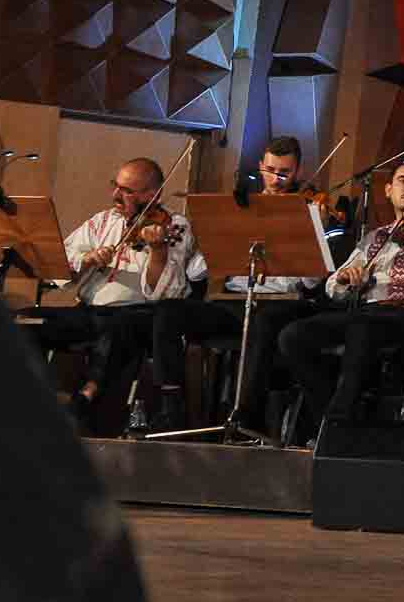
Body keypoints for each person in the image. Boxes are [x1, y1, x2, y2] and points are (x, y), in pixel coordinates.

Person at [150, 135, 319, 432]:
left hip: (281, 305)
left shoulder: (307, 211)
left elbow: (312, 281)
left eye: (285, 173)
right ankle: (171, 407)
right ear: (260, 166)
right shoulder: (238, 209)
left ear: (299, 172)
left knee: (263, 323)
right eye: (270, 170)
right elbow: (195, 273)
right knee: (168, 312)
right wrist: (225, 236)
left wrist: (303, 234)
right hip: (234, 302)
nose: (276, 180)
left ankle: (245, 418)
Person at [276, 162, 404, 434]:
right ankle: (327, 418)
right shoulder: (375, 237)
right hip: (369, 313)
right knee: (293, 335)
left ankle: (339, 426)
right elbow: (333, 287)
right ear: (388, 190)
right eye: (403, 181)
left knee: (361, 328)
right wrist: (346, 278)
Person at [36, 158, 207, 430]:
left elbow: (168, 293)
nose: (116, 195)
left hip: (138, 316)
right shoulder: (102, 221)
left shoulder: (174, 226)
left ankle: (84, 399)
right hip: (89, 311)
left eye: (127, 191)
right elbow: (58, 262)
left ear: (153, 195)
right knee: (26, 321)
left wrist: (158, 252)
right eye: (115, 186)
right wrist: (86, 260)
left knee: (118, 328)